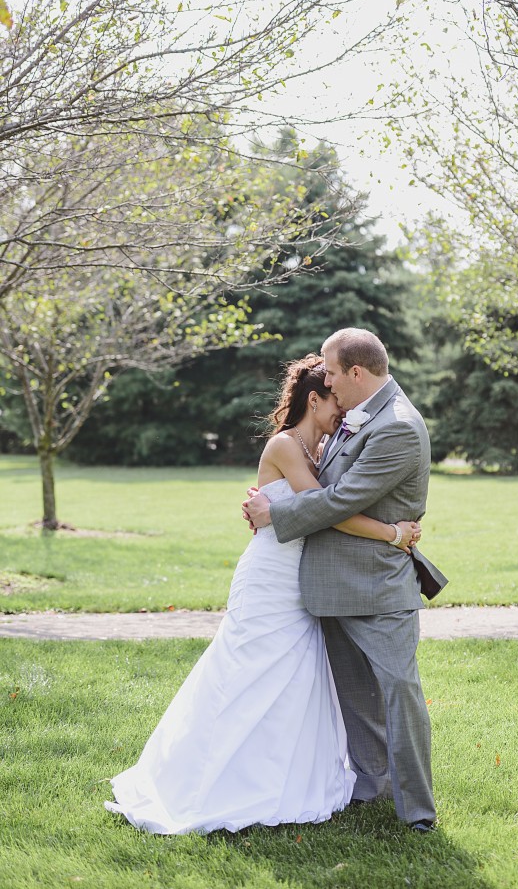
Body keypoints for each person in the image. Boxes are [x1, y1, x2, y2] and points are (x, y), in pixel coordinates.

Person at [104, 354, 421, 835]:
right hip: (271, 577)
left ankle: (286, 780)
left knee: (294, 682)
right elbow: (324, 508)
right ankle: (211, 782)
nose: (342, 411)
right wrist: (391, 533)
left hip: (304, 581)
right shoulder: (287, 445)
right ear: (313, 400)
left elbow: (323, 501)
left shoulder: (327, 443)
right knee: (246, 672)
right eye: (334, 401)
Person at [243, 328, 446, 833]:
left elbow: (339, 499)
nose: (326, 380)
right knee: (356, 700)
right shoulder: (356, 416)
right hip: (327, 585)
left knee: (399, 692)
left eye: (332, 371)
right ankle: (368, 787)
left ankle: (416, 810)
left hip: (376, 587)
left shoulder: (397, 426)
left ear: (356, 372)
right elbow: (320, 484)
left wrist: (276, 512)